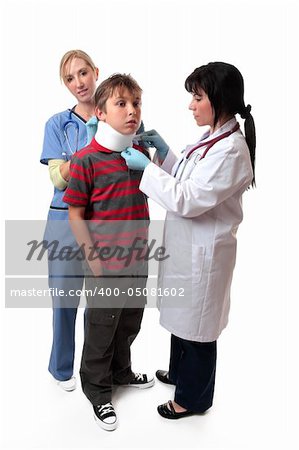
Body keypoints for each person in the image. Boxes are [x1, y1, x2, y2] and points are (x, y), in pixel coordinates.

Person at [122, 62, 256, 419]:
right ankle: (180, 375)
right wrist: (164, 154)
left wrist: (145, 168)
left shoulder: (232, 150)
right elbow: (189, 176)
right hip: (188, 248)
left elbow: (188, 198)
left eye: (197, 98)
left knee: (198, 327)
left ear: (219, 100)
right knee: (184, 318)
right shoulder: (213, 138)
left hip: (206, 254)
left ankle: (191, 400)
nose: (191, 105)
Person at [63, 73, 154, 431]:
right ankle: (97, 389)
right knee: (102, 325)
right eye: (121, 104)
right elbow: (75, 212)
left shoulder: (140, 156)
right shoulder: (86, 159)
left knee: (130, 319)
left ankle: (121, 371)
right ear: (100, 112)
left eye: (136, 104)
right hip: (104, 261)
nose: (131, 111)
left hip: (138, 255)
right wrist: (92, 258)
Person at [40, 50, 99, 391]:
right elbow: (58, 179)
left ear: (95, 71)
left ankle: (96, 371)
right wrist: (90, 152)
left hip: (103, 220)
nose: (79, 83)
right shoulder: (56, 124)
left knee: (101, 303)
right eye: (70, 78)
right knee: (64, 300)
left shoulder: (115, 114)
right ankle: (62, 369)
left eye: (83, 73)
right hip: (64, 221)